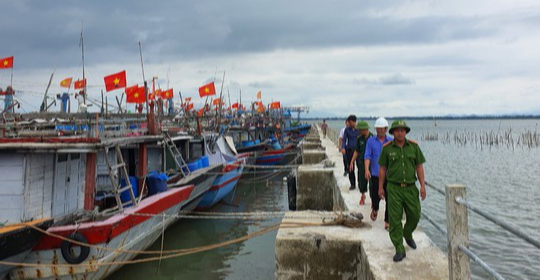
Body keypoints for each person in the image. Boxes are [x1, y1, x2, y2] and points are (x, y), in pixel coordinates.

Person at [378, 120, 426, 262]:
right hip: (393, 188)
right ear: (392, 133)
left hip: (411, 187)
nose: (400, 133)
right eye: (397, 130)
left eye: (403, 130)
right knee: (395, 219)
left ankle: (408, 233)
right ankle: (399, 247)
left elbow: (419, 167)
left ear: (406, 132)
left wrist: (422, 185)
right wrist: (380, 187)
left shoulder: (414, 147)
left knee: (415, 214)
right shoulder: (387, 148)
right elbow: (382, 169)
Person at [364, 117, 392, 229]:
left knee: (390, 198)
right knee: (375, 196)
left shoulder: (391, 141)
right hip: (375, 174)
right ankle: (375, 208)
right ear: (376, 129)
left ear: (386, 129)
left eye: (382, 129)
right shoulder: (370, 141)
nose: (380, 131)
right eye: (378, 129)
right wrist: (366, 169)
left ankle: (387, 221)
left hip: (389, 176)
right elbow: (367, 156)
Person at [349, 120, 373, 205]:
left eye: (360, 130)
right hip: (361, 162)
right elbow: (357, 151)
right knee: (361, 180)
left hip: (371, 163)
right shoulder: (359, 139)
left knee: (372, 182)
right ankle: (363, 195)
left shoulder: (373, 138)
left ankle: (373, 199)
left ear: (365, 129)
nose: (359, 131)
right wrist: (351, 162)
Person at [341, 115, 359, 190]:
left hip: (358, 151)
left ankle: (361, 183)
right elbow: (344, 139)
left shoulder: (359, 130)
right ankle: (353, 184)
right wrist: (343, 148)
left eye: (349, 122)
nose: (348, 123)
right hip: (349, 150)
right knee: (351, 167)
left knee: (360, 167)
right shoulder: (347, 130)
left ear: (353, 122)